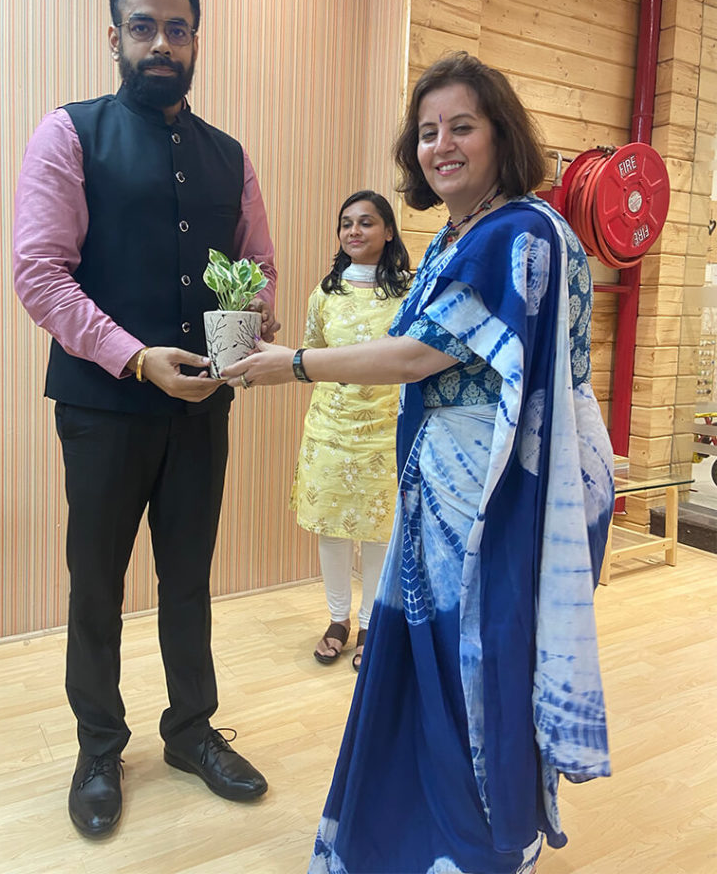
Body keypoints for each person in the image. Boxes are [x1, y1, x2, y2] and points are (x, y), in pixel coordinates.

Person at [222, 52, 615, 873]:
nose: (442, 145)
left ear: (501, 135)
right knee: (429, 661)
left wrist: (294, 365)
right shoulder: (457, 237)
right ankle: (418, 834)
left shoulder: (519, 233)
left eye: (462, 126)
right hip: (442, 486)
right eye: (428, 131)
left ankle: (477, 847)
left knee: (478, 665)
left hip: (496, 495)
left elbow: (417, 356)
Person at [13, 0, 279, 838]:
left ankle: (191, 731)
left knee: (190, 579)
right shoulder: (69, 133)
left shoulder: (231, 156)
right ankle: (99, 746)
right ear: (115, 37)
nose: (160, 43)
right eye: (143, 27)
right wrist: (135, 358)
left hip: (202, 408)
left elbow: (260, 268)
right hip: (103, 408)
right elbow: (40, 274)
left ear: (196, 40)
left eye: (177, 28)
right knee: (96, 583)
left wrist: (249, 324)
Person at [291, 191, 411, 671]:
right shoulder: (325, 293)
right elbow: (311, 355)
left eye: (366, 222)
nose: (354, 231)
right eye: (346, 223)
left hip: (385, 429)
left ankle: (369, 624)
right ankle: (337, 620)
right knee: (332, 529)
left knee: (380, 532)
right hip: (330, 429)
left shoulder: (409, 291)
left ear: (388, 231)